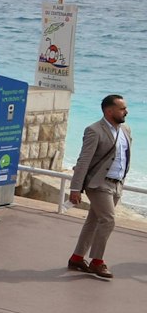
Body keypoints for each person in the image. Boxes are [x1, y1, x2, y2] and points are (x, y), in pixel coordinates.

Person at [65, 94, 128, 281]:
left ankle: (77, 258)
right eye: (122, 109)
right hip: (99, 183)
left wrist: (122, 179)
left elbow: (124, 157)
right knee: (108, 220)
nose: (126, 111)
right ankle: (97, 261)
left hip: (117, 183)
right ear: (109, 111)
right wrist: (75, 189)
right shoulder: (94, 130)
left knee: (93, 221)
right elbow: (84, 160)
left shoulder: (126, 130)